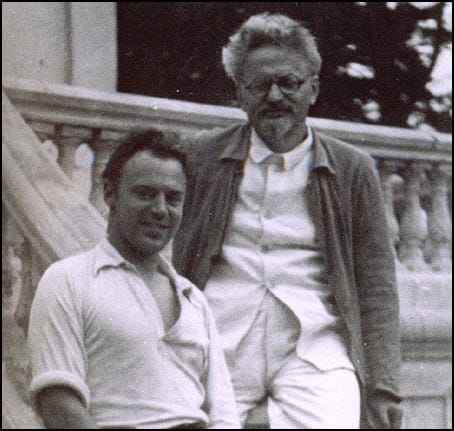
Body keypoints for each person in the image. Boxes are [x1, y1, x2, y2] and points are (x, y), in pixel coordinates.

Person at [174, 12, 402, 429]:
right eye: (259, 85)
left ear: (313, 88)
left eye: (288, 83)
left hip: (316, 350)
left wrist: (383, 387)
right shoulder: (199, 157)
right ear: (239, 94)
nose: (274, 96)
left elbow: (377, 285)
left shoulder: (352, 168)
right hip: (219, 341)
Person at [28, 129, 240, 429]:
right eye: (145, 193)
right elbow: (58, 402)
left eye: (173, 198)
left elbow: (224, 415)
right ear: (110, 193)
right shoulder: (68, 280)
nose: (160, 209)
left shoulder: (194, 299)